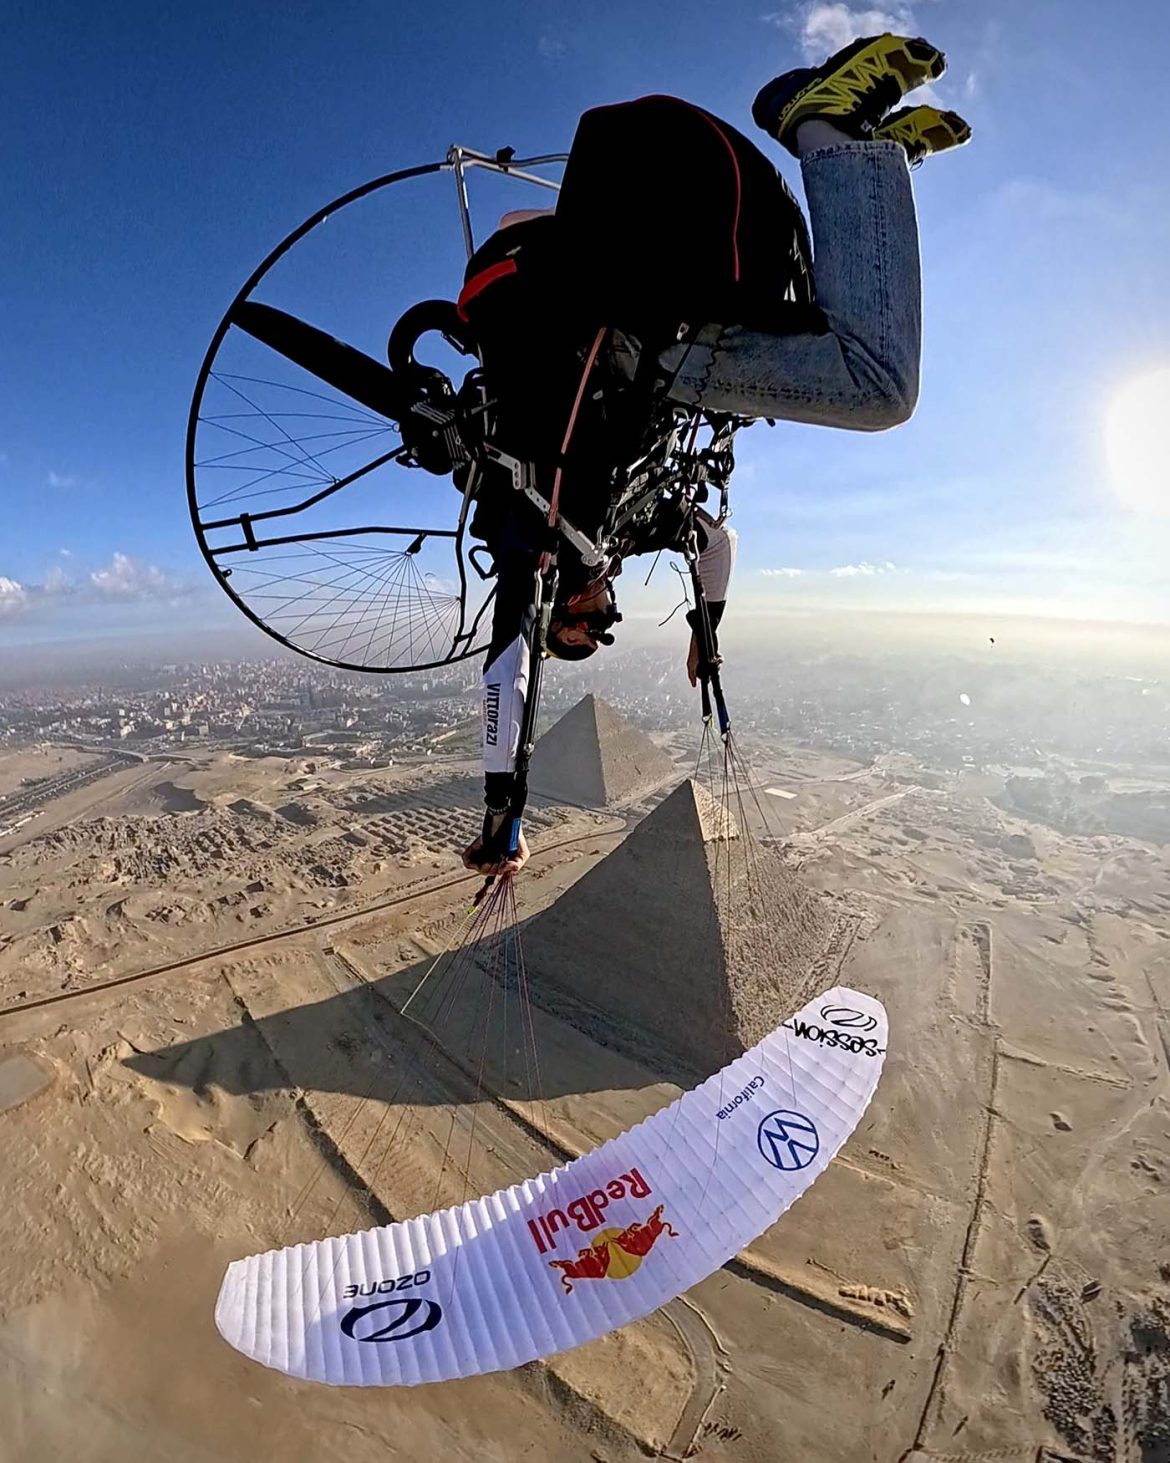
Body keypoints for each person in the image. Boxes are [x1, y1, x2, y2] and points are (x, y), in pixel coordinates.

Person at [462, 32, 971, 876]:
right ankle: (865, 158)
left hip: (654, 346)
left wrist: (503, 816)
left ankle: (828, 133)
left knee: (877, 386)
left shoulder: (535, 529)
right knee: (816, 318)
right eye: (606, 628)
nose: (607, 615)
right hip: (673, 335)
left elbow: (506, 674)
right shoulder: (617, 530)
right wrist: (708, 630)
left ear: (560, 613)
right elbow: (714, 542)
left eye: (587, 629)